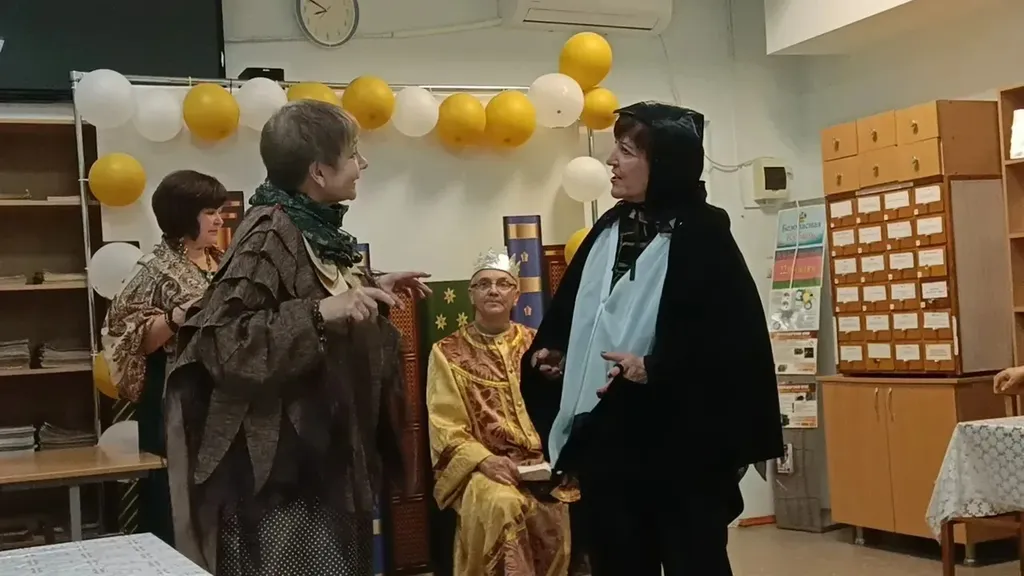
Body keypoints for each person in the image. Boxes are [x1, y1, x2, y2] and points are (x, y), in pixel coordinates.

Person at [163, 99, 431, 575]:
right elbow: (222, 339)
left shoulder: (310, 223)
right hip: (283, 478)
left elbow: (308, 293)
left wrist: (370, 286)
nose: (363, 164)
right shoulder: (268, 230)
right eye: (353, 154)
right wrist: (321, 312)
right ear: (319, 172)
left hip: (323, 460)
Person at [519, 101, 783, 576]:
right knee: (617, 560)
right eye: (615, 149)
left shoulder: (703, 233)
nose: (611, 162)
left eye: (626, 151)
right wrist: (553, 354)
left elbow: (732, 344)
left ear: (663, 163)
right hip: (610, 440)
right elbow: (575, 312)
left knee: (693, 561)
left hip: (681, 444)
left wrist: (654, 368)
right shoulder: (609, 227)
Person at [426, 248, 575, 576]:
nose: (493, 290)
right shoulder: (447, 352)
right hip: (485, 468)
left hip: (542, 464)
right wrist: (484, 460)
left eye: (502, 284)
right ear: (471, 295)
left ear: (516, 295)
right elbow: (446, 425)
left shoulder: (537, 345)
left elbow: (563, 407)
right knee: (503, 505)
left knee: (570, 502)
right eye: (484, 284)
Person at [101, 169, 226, 545]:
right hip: (174, 394)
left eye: (219, 211)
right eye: (210, 212)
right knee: (175, 497)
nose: (219, 220)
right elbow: (126, 336)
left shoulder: (222, 261)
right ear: (183, 215)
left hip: (222, 393)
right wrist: (177, 317)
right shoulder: (152, 270)